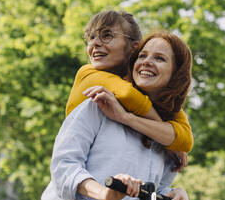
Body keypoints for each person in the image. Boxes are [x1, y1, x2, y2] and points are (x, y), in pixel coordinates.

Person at [15, 31, 193, 200]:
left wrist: (175, 196)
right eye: (142, 55)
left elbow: (149, 198)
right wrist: (103, 192)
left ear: (177, 74)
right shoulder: (99, 103)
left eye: (159, 58)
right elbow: (64, 167)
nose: (146, 62)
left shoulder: (167, 140)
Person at [66, 11, 193, 171]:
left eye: (107, 36)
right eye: (91, 37)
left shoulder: (142, 88)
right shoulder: (87, 73)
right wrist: (167, 138)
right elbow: (128, 94)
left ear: (134, 48)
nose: (95, 43)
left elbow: (185, 139)